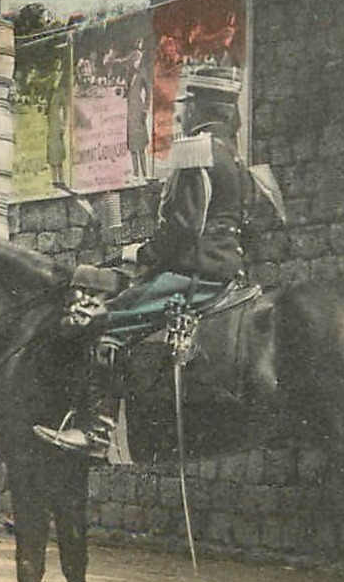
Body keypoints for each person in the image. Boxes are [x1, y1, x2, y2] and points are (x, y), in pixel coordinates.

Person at [34, 66, 251, 457]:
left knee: (107, 321)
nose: (182, 114)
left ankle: (97, 430)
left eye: (187, 105)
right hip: (227, 268)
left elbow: (184, 228)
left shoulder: (195, 150)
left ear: (202, 107)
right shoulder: (235, 156)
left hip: (195, 271)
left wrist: (140, 253)